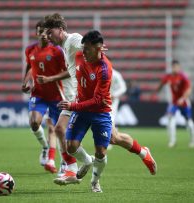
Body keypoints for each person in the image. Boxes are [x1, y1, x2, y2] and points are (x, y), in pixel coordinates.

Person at [42, 13, 157, 183]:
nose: (47, 36)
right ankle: (74, 168)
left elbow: (85, 45)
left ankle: (143, 152)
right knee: (60, 129)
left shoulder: (72, 39)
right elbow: (75, 67)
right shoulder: (64, 47)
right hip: (78, 95)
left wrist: (98, 49)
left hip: (89, 99)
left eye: (50, 32)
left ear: (60, 29)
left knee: (114, 138)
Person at [57, 30, 113, 192]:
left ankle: (95, 182)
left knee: (101, 153)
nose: (84, 52)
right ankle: (88, 161)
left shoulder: (104, 69)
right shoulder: (80, 55)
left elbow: (97, 101)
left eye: (87, 49)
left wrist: (72, 106)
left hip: (99, 111)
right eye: (83, 48)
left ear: (97, 48)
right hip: (81, 109)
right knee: (71, 146)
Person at [21, 20, 67, 174]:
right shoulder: (30, 50)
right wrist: (25, 81)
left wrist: (50, 79)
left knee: (57, 129)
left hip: (56, 95)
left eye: (47, 32)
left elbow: (67, 71)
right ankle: (46, 147)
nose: (45, 35)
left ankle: (63, 164)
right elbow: (30, 66)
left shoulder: (57, 50)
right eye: (41, 32)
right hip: (38, 94)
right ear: (36, 33)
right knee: (34, 123)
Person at [155, 59, 194, 148]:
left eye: (177, 67)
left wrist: (183, 98)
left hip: (184, 101)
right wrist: (157, 90)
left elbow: (189, 89)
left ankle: (193, 141)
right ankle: (172, 141)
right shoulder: (168, 76)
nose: (175, 69)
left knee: (188, 121)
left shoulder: (183, 76)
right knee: (170, 118)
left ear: (179, 67)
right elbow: (162, 83)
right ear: (172, 67)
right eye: (174, 67)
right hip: (174, 102)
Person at [107, 68, 127, 150]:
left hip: (113, 100)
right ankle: (111, 136)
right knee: (108, 119)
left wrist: (114, 95)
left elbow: (123, 88)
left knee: (111, 118)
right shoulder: (98, 71)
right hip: (102, 99)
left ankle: (111, 139)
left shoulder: (115, 74)